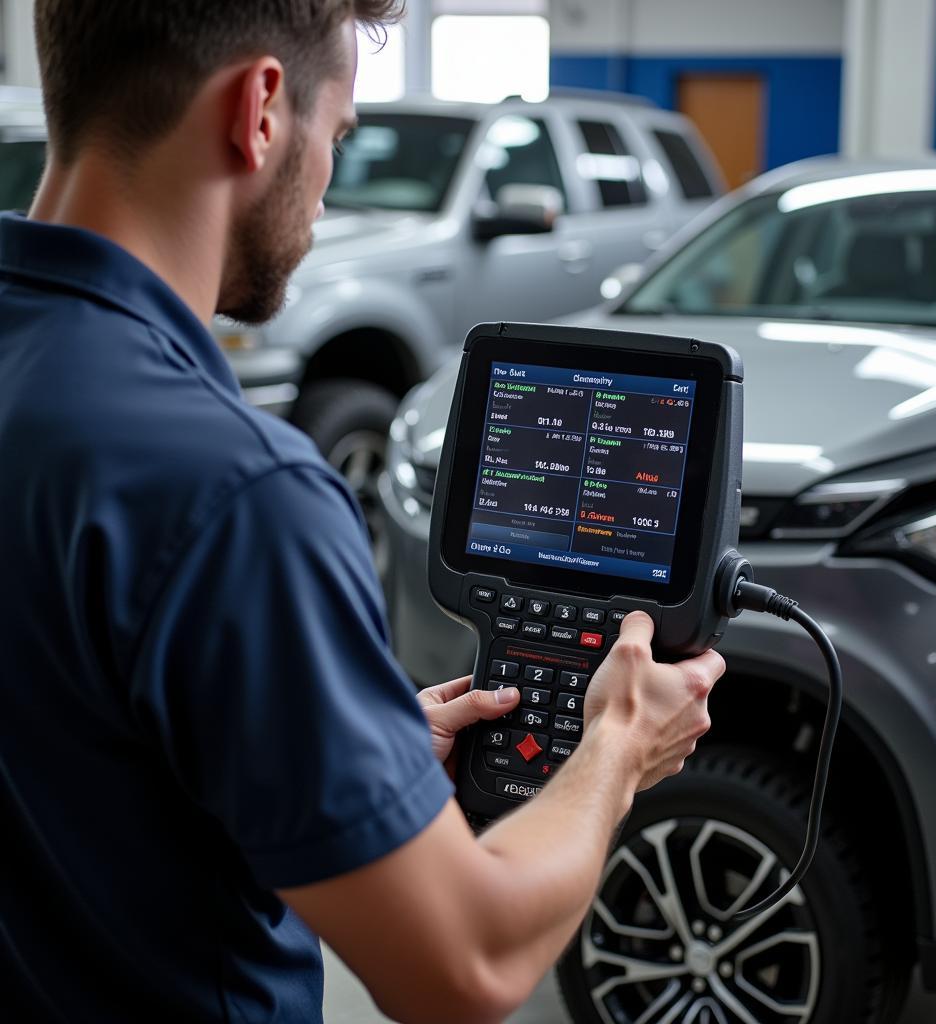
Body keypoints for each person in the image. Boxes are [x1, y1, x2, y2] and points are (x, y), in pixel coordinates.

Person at [0, 2, 726, 1021]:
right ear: (260, 110)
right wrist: (616, 745)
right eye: (338, 133)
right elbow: (462, 965)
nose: (330, 186)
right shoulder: (239, 495)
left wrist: (333, 747)